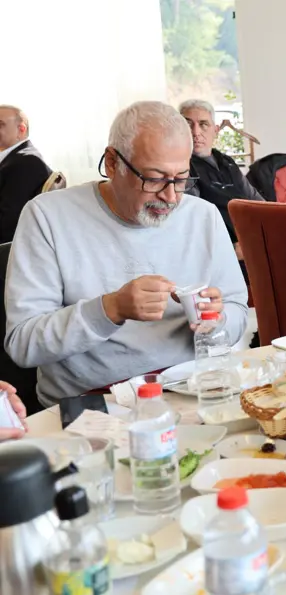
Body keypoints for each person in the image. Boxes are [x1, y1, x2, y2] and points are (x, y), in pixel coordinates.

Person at [4, 101, 249, 407]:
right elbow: (23, 344)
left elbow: (239, 312)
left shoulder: (203, 216)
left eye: (181, 178)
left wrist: (217, 318)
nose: (171, 196)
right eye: (155, 178)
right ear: (111, 163)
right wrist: (110, 309)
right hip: (92, 402)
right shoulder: (48, 216)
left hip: (189, 391)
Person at [179, 99, 263, 267]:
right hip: (219, 255)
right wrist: (230, 250)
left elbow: (259, 204)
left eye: (203, 124)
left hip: (249, 247)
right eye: (188, 125)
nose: (196, 132)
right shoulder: (181, 167)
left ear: (215, 130)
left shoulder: (227, 163)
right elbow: (192, 219)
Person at [0, 105, 52, 243]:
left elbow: (8, 224)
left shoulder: (25, 163)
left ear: (21, 129)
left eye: (0, 124)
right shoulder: (18, 158)